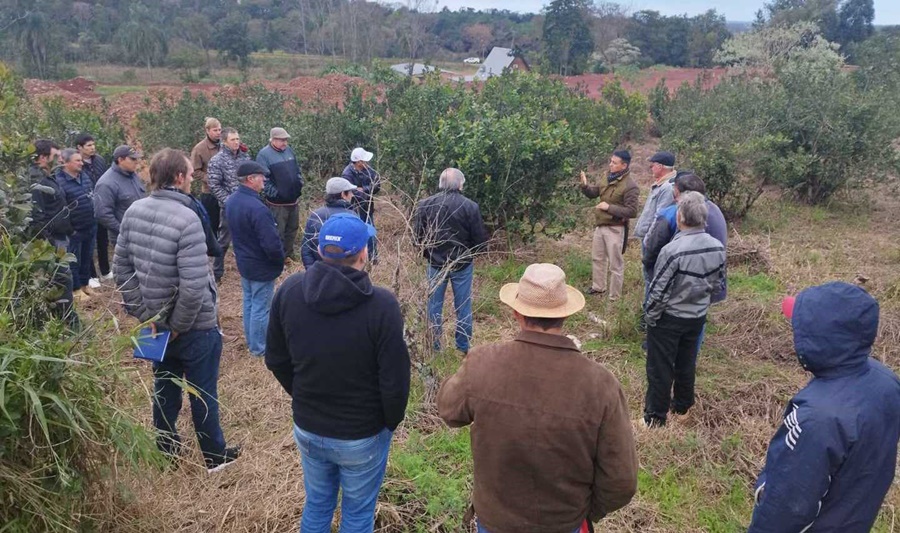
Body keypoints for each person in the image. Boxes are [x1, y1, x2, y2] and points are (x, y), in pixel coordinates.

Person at [437, 263, 638, 533]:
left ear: (516, 312)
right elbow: (621, 481)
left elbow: (448, 410)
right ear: (565, 314)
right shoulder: (601, 384)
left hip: (495, 522)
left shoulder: (482, 363)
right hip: (565, 524)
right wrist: (585, 511)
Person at [266, 213, 410, 533]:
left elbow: (275, 359)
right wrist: (388, 422)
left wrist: (303, 394)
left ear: (318, 250)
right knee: (357, 515)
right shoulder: (382, 305)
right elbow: (395, 381)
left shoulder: (289, 291)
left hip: (308, 427)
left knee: (317, 503)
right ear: (364, 254)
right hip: (362, 435)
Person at [114, 148, 240, 472]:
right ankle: (215, 457)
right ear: (180, 177)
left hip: (151, 325)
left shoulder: (133, 211)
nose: (192, 179)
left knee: (163, 386)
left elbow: (121, 270)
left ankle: (166, 453)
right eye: (189, 173)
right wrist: (178, 325)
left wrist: (145, 315)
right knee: (202, 392)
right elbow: (195, 285)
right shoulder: (188, 218)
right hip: (194, 326)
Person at [749, 283, 900, 532]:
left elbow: (786, 506)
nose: (794, 333)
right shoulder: (886, 381)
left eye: (801, 328)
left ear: (822, 338)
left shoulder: (817, 419)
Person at [642, 192, 726, 428]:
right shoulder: (717, 247)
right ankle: (682, 408)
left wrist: (651, 317)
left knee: (660, 367)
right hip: (697, 317)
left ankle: (655, 417)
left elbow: (659, 289)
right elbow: (718, 283)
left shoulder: (673, 250)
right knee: (686, 362)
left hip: (670, 317)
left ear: (680, 217)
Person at [414, 168, 489, 355]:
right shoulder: (470, 206)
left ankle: (434, 346)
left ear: (441, 183)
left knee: (434, 305)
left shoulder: (425, 204)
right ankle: (462, 347)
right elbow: (480, 240)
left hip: (435, 263)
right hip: (462, 263)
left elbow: (418, 238)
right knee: (463, 305)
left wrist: (429, 254)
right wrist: (468, 254)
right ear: (460, 184)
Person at [224, 161, 284, 357]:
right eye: (261, 176)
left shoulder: (232, 201)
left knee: (250, 302)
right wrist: (278, 260)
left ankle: (253, 343)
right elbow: (271, 243)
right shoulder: (258, 208)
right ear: (251, 179)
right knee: (261, 307)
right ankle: (259, 348)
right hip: (260, 266)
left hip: (245, 262)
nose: (264, 180)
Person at [579, 149, 639, 300]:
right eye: (610, 161)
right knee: (597, 258)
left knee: (615, 264)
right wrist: (585, 187)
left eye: (614, 162)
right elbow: (595, 193)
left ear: (624, 165)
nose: (610, 164)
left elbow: (632, 211)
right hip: (601, 225)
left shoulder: (630, 186)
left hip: (616, 228)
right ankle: (598, 288)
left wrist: (609, 208)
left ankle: (614, 297)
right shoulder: (606, 177)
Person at [29, 139, 77, 326]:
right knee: (63, 281)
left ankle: (65, 321)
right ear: (42, 157)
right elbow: (36, 218)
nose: (60, 159)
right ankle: (68, 324)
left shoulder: (49, 177)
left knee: (62, 281)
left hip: (60, 238)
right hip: (52, 243)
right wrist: (49, 246)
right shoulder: (37, 182)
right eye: (56, 156)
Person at [207, 127, 250, 282]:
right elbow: (214, 185)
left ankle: (246, 268)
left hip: (246, 206)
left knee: (246, 238)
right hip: (229, 208)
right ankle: (217, 273)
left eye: (238, 139)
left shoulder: (244, 157)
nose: (236, 142)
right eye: (233, 139)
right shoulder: (217, 161)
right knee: (224, 241)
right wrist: (229, 201)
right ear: (224, 141)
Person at [256, 127, 304, 261]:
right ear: (273, 140)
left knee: (292, 229)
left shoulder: (289, 151)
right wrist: (277, 194)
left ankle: (289, 256)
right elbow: (263, 180)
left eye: (286, 140)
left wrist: (300, 183)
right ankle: (277, 258)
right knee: (278, 232)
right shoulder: (264, 155)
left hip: (293, 200)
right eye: (282, 140)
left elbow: (297, 170)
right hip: (277, 204)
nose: (285, 143)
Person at [55, 148, 96, 302]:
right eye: (77, 161)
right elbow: (61, 210)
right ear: (66, 163)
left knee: (87, 258)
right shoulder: (60, 182)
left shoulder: (84, 177)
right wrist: (70, 229)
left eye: (81, 160)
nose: (81, 163)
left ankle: (85, 285)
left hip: (90, 226)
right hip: (74, 230)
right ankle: (76, 289)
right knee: (74, 260)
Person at [634, 150, 678, 292]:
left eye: (652, 165)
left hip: (653, 240)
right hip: (650, 238)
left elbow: (659, 218)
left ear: (660, 166)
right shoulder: (661, 184)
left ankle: (650, 311)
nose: (651, 168)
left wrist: (648, 241)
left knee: (652, 277)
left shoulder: (667, 188)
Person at [75, 133, 110, 287]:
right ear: (79, 148)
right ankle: (91, 276)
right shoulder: (76, 163)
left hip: (101, 205)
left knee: (103, 239)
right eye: (88, 145)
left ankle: (106, 270)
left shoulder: (99, 161)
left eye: (93, 145)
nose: (92, 148)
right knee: (88, 243)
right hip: (86, 208)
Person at [93, 145, 145, 248]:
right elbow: (102, 214)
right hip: (124, 240)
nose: (137, 161)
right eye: (133, 159)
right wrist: (123, 231)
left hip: (140, 235)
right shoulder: (106, 183)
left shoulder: (132, 176)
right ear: (120, 159)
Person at [300, 177, 357, 269]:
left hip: (317, 272)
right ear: (343, 194)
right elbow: (357, 250)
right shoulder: (352, 217)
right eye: (350, 192)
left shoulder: (315, 215)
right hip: (343, 275)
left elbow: (306, 248)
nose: (352, 195)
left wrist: (310, 270)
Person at [342, 147, 380, 261]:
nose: (367, 163)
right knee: (356, 234)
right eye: (364, 161)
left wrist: (364, 189)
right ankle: (357, 258)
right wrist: (362, 192)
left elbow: (377, 185)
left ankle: (373, 258)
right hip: (354, 209)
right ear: (358, 162)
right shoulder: (347, 174)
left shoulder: (369, 171)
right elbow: (350, 193)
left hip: (367, 207)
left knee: (370, 233)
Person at [191, 117, 223, 241]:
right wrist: (210, 179)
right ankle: (211, 251)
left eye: (220, 130)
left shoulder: (224, 145)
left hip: (225, 192)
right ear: (207, 131)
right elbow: (195, 171)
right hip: (210, 193)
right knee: (211, 225)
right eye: (215, 130)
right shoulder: (199, 149)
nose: (218, 133)